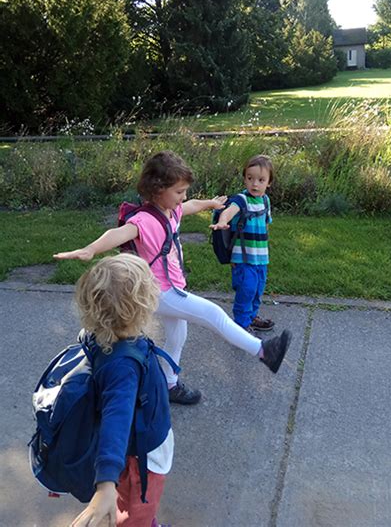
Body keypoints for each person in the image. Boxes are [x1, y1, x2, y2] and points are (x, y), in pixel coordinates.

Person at [54, 151, 292, 406]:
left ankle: (169, 384)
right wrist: (91, 249)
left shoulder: (172, 210)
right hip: (158, 291)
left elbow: (190, 206)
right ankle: (264, 351)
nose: (184, 197)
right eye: (179, 192)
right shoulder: (144, 220)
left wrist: (210, 204)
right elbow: (119, 232)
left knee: (177, 335)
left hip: (171, 286)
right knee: (213, 314)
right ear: (158, 190)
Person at [69, 253, 173, 527]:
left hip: (143, 437)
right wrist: (105, 483)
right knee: (136, 510)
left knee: (141, 506)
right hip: (143, 455)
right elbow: (117, 419)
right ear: (140, 306)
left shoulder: (102, 336)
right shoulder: (123, 366)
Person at [210, 155, 275, 334]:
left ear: (269, 182)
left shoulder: (265, 201)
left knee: (257, 289)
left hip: (261, 258)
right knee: (246, 289)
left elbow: (265, 225)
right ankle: (240, 324)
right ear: (244, 178)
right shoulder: (241, 200)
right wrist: (222, 221)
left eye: (261, 180)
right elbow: (229, 212)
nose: (255, 184)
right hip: (242, 257)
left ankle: (252, 317)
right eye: (250, 178)